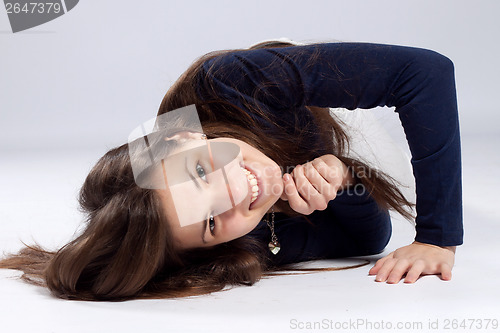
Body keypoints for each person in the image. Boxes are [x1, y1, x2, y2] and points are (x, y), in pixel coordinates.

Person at [0, 39, 462, 301]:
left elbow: (425, 73)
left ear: (186, 139)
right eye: (210, 220)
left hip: (352, 107)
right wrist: (342, 182)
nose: (241, 191)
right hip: (378, 165)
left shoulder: (228, 84)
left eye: (200, 172)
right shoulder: (239, 242)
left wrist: (437, 237)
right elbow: (365, 240)